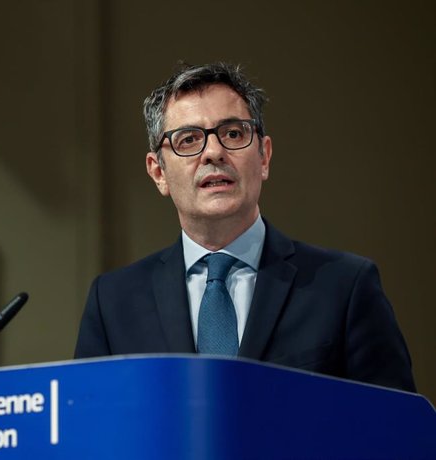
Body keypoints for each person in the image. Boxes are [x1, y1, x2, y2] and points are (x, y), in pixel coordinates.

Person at [74, 63, 416, 392]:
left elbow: (397, 433)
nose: (213, 152)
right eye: (189, 139)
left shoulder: (345, 287)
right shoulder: (114, 302)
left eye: (233, 133)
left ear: (264, 157)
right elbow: (87, 432)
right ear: (158, 172)